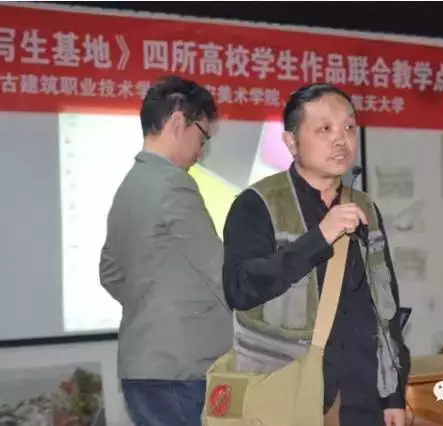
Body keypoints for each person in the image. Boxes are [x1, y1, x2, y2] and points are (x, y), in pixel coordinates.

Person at [222, 83, 411, 426]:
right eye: (325, 129)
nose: (341, 140)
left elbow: (386, 309)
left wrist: (394, 395)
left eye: (349, 127)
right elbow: (240, 289)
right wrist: (319, 238)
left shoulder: (365, 207)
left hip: (363, 396)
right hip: (289, 397)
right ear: (291, 142)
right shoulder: (258, 204)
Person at [99, 76, 232, 426]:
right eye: (202, 137)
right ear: (177, 123)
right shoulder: (174, 184)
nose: (201, 151)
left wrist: (154, 305)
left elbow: (109, 273)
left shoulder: (129, 185)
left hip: (140, 367)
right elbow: (219, 271)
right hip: (182, 367)